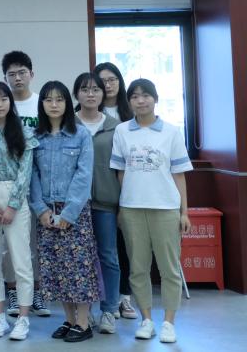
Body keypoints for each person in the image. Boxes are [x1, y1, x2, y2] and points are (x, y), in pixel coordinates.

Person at [110, 78, 193, 344]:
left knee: (169, 269)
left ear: (155, 99)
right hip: (132, 210)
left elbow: (179, 174)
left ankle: (169, 323)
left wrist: (184, 212)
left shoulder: (171, 132)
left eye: (146, 95)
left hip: (166, 209)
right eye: (135, 96)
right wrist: (122, 206)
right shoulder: (122, 131)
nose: (141, 100)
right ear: (129, 102)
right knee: (137, 268)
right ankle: (146, 320)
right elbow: (120, 172)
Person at [29, 81, 100, 344]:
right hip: (46, 211)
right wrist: (40, 209)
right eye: (48, 100)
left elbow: (84, 175)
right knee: (55, 269)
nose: (54, 104)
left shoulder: (81, 135)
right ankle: (69, 320)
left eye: (59, 99)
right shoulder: (35, 137)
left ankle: (83, 323)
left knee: (79, 267)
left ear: (68, 103)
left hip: (75, 211)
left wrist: (69, 213)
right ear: (42, 104)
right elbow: (32, 175)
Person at [0, 82, 37, 341]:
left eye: (3, 99)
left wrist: (13, 205)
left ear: (10, 102)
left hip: (16, 196)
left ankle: (23, 318)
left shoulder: (23, 131)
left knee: (21, 260)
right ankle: (0, 317)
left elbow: (26, 172)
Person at [73, 72, 122, 335]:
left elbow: (122, 167)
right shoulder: (68, 124)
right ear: (76, 94)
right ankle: (84, 312)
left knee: (108, 255)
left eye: (96, 89)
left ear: (103, 94)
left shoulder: (116, 127)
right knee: (79, 259)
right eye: (85, 89)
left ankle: (109, 310)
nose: (90, 94)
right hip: (74, 205)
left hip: (106, 202)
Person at [0, 50, 48, 317]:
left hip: (39, 180)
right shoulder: (4, 105)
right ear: (5, 78)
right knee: (10, 243)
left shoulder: (42, 103)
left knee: (35, 241)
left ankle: (36, 291)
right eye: (12, 74)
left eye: (22, 73)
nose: (17, 78)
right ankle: (12, 292)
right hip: (11, 181)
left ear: (32, 74)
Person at [93, 62, 137, 320]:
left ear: (120, 81)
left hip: (129, 186)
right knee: (102, 249)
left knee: (123, 245)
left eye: (112, 79)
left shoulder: (130, 112)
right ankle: (104, 299)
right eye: (102, 81)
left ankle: (124, 298)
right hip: (101, 189)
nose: (108, 85)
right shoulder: (87, 112)